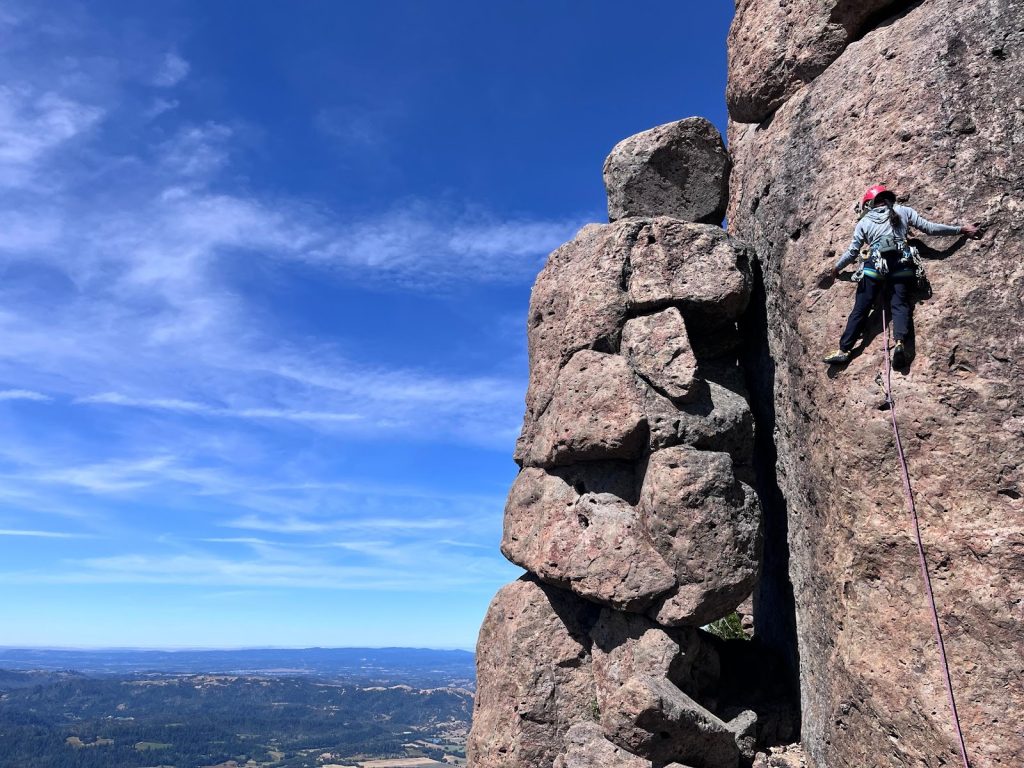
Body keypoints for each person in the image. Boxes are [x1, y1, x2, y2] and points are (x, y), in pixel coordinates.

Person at [822, 185, 979, 366]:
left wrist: (836, 270)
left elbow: (852, 252)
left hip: (875, 267)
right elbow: (930, 228)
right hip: (901, 264)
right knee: (900, 303)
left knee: (861, 308)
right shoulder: (904, 211)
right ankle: (899, 343)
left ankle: (844, 350)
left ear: (869, 204)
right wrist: (961, 229)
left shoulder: (864, 223)